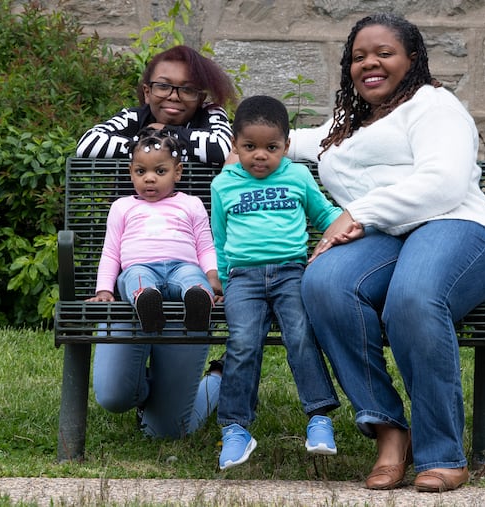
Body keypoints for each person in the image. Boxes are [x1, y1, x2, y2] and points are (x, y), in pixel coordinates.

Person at [287, 13, 485, 492]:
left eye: (384, 53)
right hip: (388, 234)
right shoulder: (347, 123)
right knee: (324, 283)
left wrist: (358, 213)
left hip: (455, 224)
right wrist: (208, 138)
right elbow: (291, 143)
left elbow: (443, 183)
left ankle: (442, 452)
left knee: (413, 296)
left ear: (411, 58)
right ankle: (389, 430)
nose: (370, 63)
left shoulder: (434, 105)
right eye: (359, 56)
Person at [210, 95, 342, 470]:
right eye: (249, 147)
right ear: (235, 144)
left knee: (300, 335)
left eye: (272, 147)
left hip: (290, 273)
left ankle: (319, 419)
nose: (260, 156)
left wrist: (352, 222)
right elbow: (219, 237)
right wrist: (222, 280)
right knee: (242, 343)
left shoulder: (298, 176)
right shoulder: (223, 185)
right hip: (243, 280)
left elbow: (324, 213)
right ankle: (235, 428)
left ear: (286, 145)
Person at [88, 127, 223, 439]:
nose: (149, 179)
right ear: (131, 173)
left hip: (182, 268)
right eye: (141, 171)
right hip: (139, 271)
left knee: (192, 279)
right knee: (136, 280)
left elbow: (205, 247)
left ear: (178, 173)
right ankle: (146, 303)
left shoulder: (190, 204)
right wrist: (104, 289)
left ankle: (198, 305)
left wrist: (213, 282)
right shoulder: (123, 206)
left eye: (159, 171)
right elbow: (111, 252)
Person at [76, 45, 237, 167]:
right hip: (135, 210)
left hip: (193, 211)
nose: (174, 96)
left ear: (200, 98)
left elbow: (223, 148)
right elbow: (88, 143)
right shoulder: (134, 117)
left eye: (187, 89)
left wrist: (163, 131)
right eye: (163, 86)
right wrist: (157, 144)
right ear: (147, 92)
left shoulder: (210, 113)